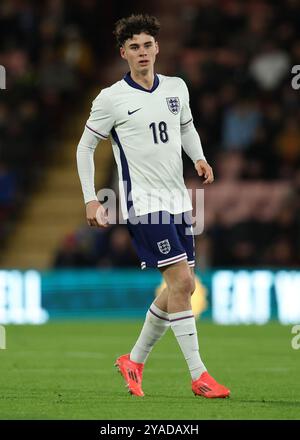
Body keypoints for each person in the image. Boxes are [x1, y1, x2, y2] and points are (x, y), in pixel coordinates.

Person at [76, 14, 230, 399]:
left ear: (157, 48)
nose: (142, 52)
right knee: (181, 284)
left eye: (148, 45)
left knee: (180, 286)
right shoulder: (111, 98)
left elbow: (184, 126)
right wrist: (90, 198)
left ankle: (134, 360)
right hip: (143, 204)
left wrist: (199, 157)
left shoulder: (176, 87)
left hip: (179, 200)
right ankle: (199, 375)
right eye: (134, 47)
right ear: (123, 53)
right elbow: (85, 147)